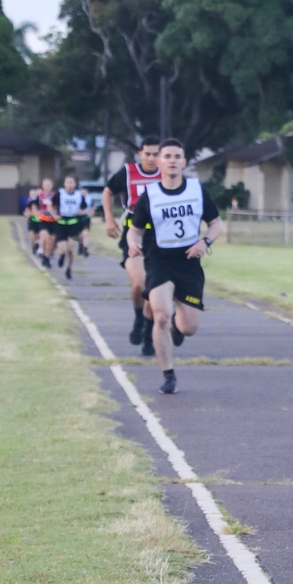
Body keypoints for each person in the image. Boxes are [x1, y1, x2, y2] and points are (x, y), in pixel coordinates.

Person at [126, 138, 223, 394]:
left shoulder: (196, 190)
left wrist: (205, 241)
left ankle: (177, 328)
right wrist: (132, 244)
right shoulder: (150, 196)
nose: (172, 161)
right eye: (167, 156)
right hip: (159, 260)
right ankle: (168, 374)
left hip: (189, 262)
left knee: (189, 328)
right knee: (160, 315)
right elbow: (134, 231)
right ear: (159, 162)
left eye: (177, 156)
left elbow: (216, 223)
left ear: (184, 162)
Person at [102, 136, 161, 354]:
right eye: (148, 154)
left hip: (160, 237)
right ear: (140, 154)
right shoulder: (128, 173)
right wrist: (109, 218)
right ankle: (138, 318)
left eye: (156, 154)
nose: (152, 158)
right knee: (139, 284)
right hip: (133, 233)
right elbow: (108, 192)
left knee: (154, 289)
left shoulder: (168, 174)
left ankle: (148, 334)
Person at [54, 175, 90, 280]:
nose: (69, 185)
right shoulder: (59, 194)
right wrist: (54, 215)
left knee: (70, 249)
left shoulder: (79, 195)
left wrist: (82, 212)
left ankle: (68, 269)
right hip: (61, 223)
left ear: (74, 184)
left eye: (71, 183)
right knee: (62, 249)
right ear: (64, 184)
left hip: (73, 223)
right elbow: (51, 205)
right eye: (67, 182)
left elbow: (84, 209)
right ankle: (61, 257)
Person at [30, 178, 57, 266]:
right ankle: (41, 250)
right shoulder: (39, 196)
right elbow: (33, 207)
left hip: (53, 221)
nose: (47, 187)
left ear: (52, 186)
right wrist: (36, 216)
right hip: (43, 220)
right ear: (43, 186)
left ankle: (47, 257)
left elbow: (59, 207)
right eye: (45, 185)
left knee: (51, 241)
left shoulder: (55, 196)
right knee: (45, 236)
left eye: (49, 185)